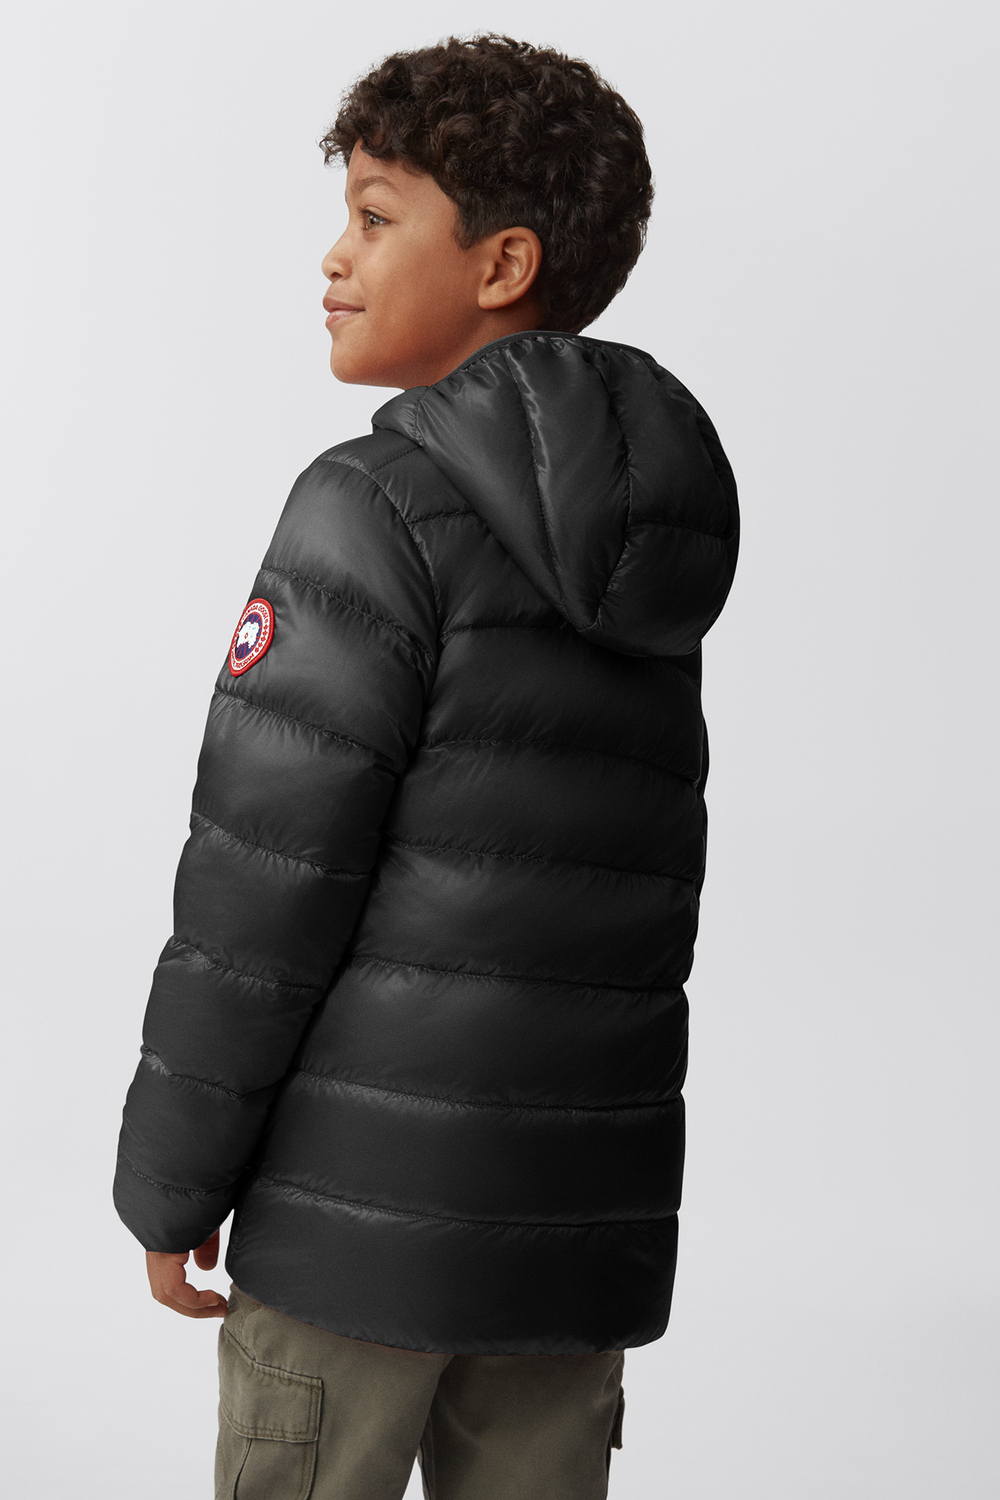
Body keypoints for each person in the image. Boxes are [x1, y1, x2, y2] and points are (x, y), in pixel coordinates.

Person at [114, 34, 739, 1500]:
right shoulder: (652, 545)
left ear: (503, 264)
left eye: (377, 216)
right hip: (571, 1240)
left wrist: (171, 1179)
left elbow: (263, 890)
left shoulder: (370, 507)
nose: (334, 257)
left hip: (352, 1239)